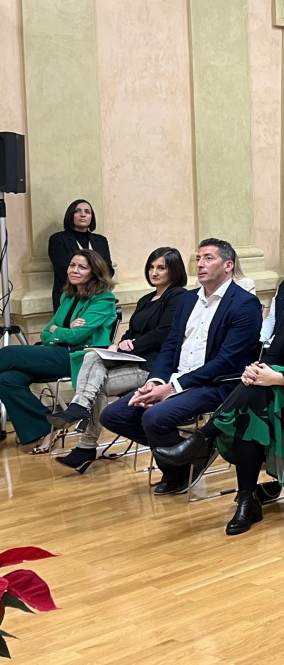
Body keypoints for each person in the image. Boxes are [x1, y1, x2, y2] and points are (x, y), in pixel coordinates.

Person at [155, 255, 284, 535]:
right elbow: (272, 356)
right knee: (252, 408)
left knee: (252, 405)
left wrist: (275, 377)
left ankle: (204, 443)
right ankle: (244, 498)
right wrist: (255, 371)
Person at [100, 239, 263, 495]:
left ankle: (177, 470)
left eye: (208, 258)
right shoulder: (188, 300)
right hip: (175, 379)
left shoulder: (244, 304)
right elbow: (170, 345)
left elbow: (227, 361)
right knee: (113, 415)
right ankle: (189, 458)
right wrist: (155, 381)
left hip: (215, 384)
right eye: (198, 258)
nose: (200, 264)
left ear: (228, 265)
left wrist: (172, 388)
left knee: (154, 417)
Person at [55, 247, 188, 474]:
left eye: (161, 268)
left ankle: (85, 439)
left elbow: (165, 333)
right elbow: (132, 331)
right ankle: (80, 409)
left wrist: (133, 344)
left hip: (153, 367)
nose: (154, 272)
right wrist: (120, 343)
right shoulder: (147, 299)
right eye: (151, 267)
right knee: (92, 355)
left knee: (95, 386)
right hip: (131, 359)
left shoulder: (178, 296)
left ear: (173, 270)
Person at [0, 250, 117, 451]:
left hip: (79, 357)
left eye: (82, 267)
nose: (75, 270)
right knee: (7, 379)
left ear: (94, 272)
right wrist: (63, 330)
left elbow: (76, 337)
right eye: (72, 265)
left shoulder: (103, 299)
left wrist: (59, 331)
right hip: (56, 353)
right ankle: (46, 427)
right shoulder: (68, 297)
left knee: (8, 353)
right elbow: (46, 333)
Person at [47, 198, 113, 310]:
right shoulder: (58, 239)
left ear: (91, 217)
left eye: (87, 212)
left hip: (97, 297)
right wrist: (96, 276)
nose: (83, 215)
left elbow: (108, 269)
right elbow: (63, 270)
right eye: (77, 211)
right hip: (68, 296)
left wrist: (94, 287)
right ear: (70, 215)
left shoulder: (101, 240)